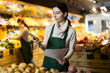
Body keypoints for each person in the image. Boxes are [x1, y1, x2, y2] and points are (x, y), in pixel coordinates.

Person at [34, 2, 76, 72]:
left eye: (57, 13)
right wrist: (39, 44)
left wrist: (65, 58)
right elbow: (45, 47)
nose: (54, 15)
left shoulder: (71, 31)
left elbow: (71, 49)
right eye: (53, 13)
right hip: (47, 66)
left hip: (62, 66)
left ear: (65, 14)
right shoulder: (49, 28)